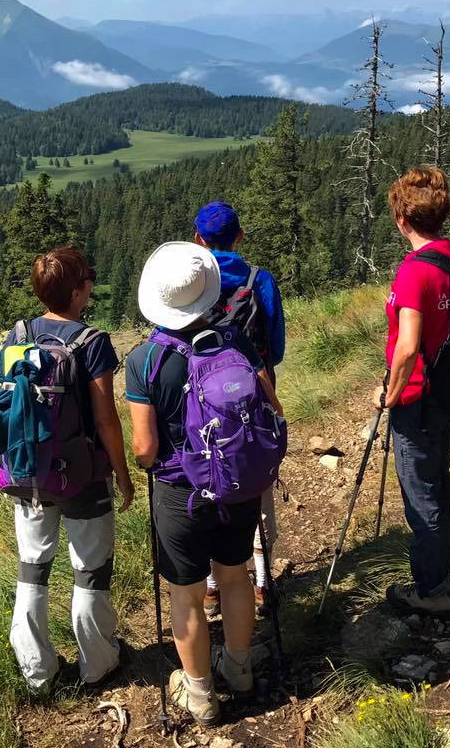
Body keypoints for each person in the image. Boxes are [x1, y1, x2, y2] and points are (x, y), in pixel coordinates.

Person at [126, 242, 284, 726]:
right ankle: (238, 670)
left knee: (186, 593)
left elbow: (145, 449)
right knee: (235, 576)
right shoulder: (235, 342)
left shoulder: (146, 359)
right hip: (235, 482)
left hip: (179, 491)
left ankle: (199, 696)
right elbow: (271, 409)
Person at [7, 246, 135, 692]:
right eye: (89, 279)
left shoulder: (18, 334)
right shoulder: (92, 342)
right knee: (90, 569)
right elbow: (105, 419)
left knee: (32, 568)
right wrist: (121, 473)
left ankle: (38, 672)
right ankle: (97, 664)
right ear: (79, 291)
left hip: (28, 475)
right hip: (83, 475)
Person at [192, 201, 286, 616]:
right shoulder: (258, 280)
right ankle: (263, 582)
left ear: (198, 240)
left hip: (200, 396)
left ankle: (212, 586)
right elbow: (276, 348)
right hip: (255, 389)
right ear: (240, 236)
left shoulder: (192, 282)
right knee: (257, 476)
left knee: (207, 474)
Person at [373, 167, 450, 616]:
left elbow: (407, 346)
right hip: (448, 389)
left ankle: (432, 589)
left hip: (417, 396)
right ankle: (439, 564)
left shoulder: (413, 272)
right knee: (438, 477)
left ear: (403, 219)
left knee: (420, 492)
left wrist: (390, 391)